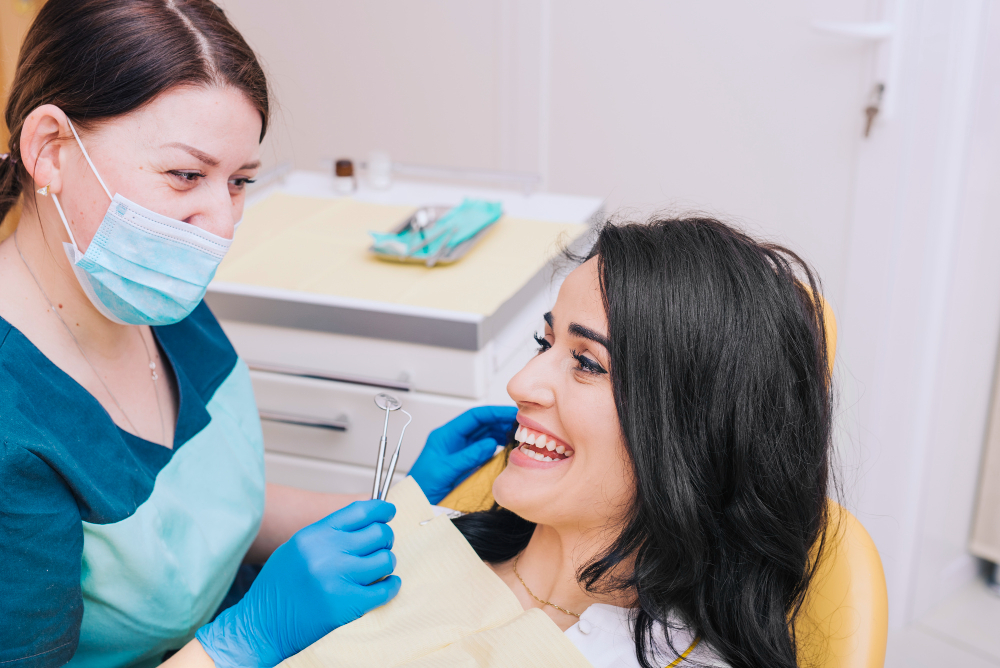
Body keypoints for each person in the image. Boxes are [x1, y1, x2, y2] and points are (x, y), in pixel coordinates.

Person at [0, 1, 513, 666]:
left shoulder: (151, 295)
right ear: (49, 149)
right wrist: (246, 639)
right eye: (186, 174)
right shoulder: (15, 424)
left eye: (239, 181)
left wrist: (398, 499)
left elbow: (200, 510)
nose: (220, 224)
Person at [451, 218, 833, 668]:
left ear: (691, 435)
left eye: (589, 364)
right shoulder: (417, 539)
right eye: (545, 342)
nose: (520, 384)